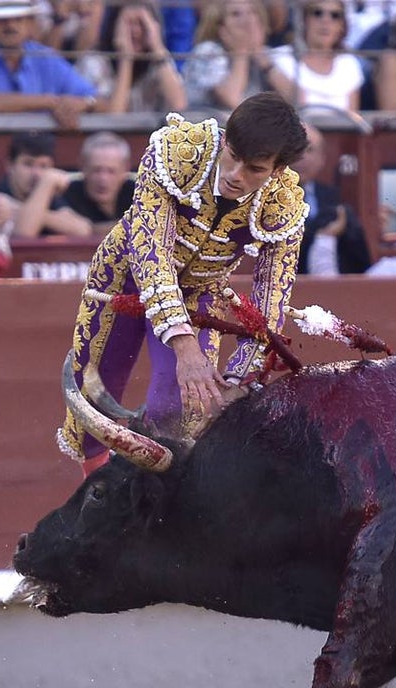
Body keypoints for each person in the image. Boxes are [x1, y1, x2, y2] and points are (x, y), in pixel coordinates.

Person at [59, 93, 309, 474]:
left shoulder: (283, 205)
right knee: (93, 404)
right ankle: (98, 511)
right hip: (123, 278)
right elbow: (151, 253)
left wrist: (241, 378)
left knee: (181, 412)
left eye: (254, 168)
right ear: (225, 138)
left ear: (277, 171)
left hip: (198, 292)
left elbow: (270, 300)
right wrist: (185, 345)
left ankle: (155, 523)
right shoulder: (177, 153)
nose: (234, 174)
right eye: (232, 154)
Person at [0, 0, 108, 127]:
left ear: (31, 24)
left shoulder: (45, 57)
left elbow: (102, 102)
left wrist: (85, 103)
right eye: (1, 20)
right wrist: (51, 102)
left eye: (18, 19)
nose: (10, 26)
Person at [74, 0, 188, 113]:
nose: (136, 31)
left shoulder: (158, 62)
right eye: (129, 23)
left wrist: (157, 47)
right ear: (114, 26)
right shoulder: (94, 61)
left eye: (142, 23)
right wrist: (126, 58)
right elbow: (114, 120)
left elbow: (179, 106)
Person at [0, 130, 89, 239]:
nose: (36, 174)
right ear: (10, 165)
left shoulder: (50, 194)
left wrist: (17, 209)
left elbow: (83, 229)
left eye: (43, 166)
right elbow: (24, 235)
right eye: (28, 164)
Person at [293, 123, 373, 276]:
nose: (301, 157)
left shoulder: (334, 197)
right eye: (295, 150)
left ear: (322, 158)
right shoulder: (263, 196)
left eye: (309, 150)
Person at [265, 0, 364, 111]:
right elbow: (299, 107)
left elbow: (353, 119)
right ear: (304, 20)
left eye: (335, 15)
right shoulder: (280, 57)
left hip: (341, 128)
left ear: (342, 26)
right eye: (317, 13)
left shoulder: (349, 63)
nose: (326, 21)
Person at [183, 0, 274, 112]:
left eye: (253, 12)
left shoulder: (266, 53)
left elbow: (297, 98)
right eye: (236, 14)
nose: (247, 20)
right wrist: (241, 53)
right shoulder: (208, 50)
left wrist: (266, 64)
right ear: (220, 27)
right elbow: (232, 100)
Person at [55, 131, 136, 236]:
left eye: (111, 171)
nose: (103, 178)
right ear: (82, 166)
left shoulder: (139, 192)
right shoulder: (68, 192)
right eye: (96, 170)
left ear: (125, 170)